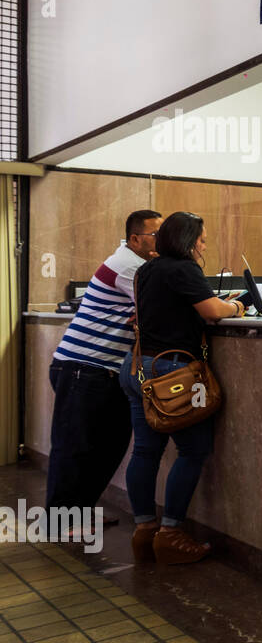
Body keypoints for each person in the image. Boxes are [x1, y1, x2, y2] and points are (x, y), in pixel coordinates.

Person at [119, 211, 245, 565]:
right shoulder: (183, 268)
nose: (204, 245)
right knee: (193, 450)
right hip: (174, 376)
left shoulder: (146, 270)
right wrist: (236, 305)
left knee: (145, 451)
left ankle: (144, 530)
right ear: (189, 241)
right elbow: (211, 311)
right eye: (202, 240)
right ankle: (171, 534)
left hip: (141, 369)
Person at [46, 210, 163, 521]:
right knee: (75, 447)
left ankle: (79, 513)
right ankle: (62, 522)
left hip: (103, 370)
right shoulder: (130, 266)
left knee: (108, 446)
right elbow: (161, 307)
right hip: (84, 367)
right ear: (136, 239)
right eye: (156, 235)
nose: (162, 241)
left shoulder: (140, 265)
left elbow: (150, 311)